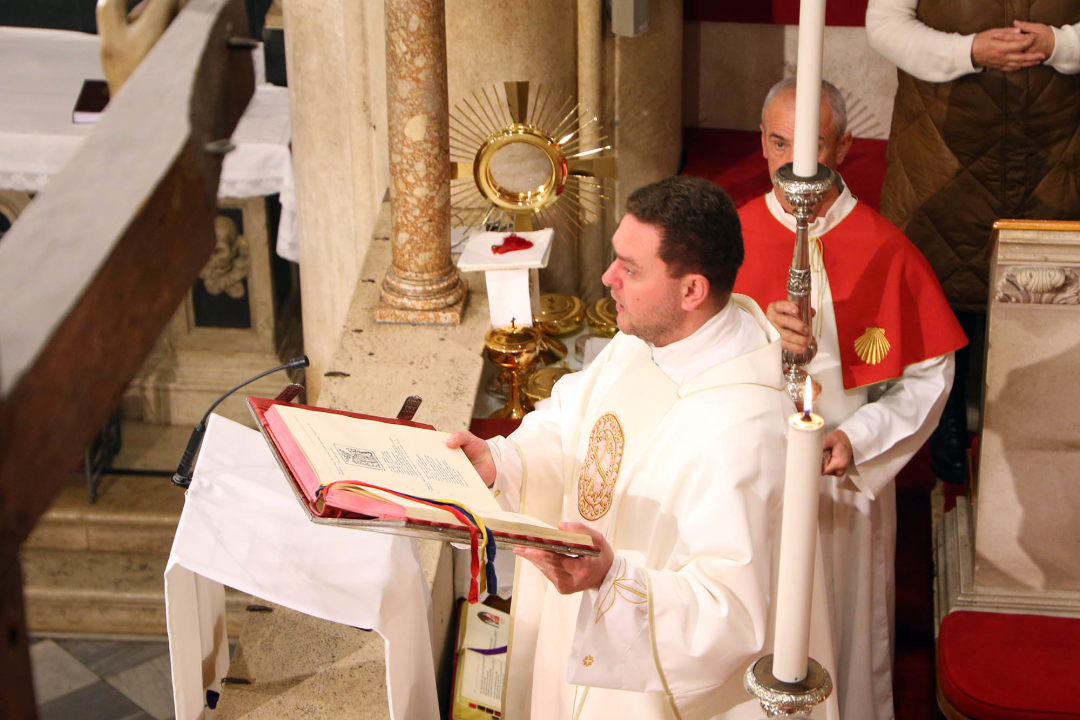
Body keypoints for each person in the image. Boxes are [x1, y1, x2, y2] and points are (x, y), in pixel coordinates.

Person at [447, 176, 838, 719]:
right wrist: (502, 461)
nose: (608, 280)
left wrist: (612, 580)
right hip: (577, 635)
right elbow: (569, 420)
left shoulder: (743, 430)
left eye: (629, 269)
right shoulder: (646, 340)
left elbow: (731, 614)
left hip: (647, 690)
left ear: (692, 290)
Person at [733, 78, 968, 720]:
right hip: (742, 476)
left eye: (809, 144)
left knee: (839, 631)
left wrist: (858, 440)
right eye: (778, 143)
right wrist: (752, 331)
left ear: (842, 146)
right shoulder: (728, 240)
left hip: (840, 486)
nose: (792, 162)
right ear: (761, 142)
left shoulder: (884, 250)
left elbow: (928, 375)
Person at [866, 0, 1080, 482]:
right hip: (944, 143)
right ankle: (948, 419)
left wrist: (1060, 44)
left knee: (1043, 287)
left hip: (1056, 141)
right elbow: (884, 25)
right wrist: (967, 51)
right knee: (946, 279)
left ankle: (1032, 431)